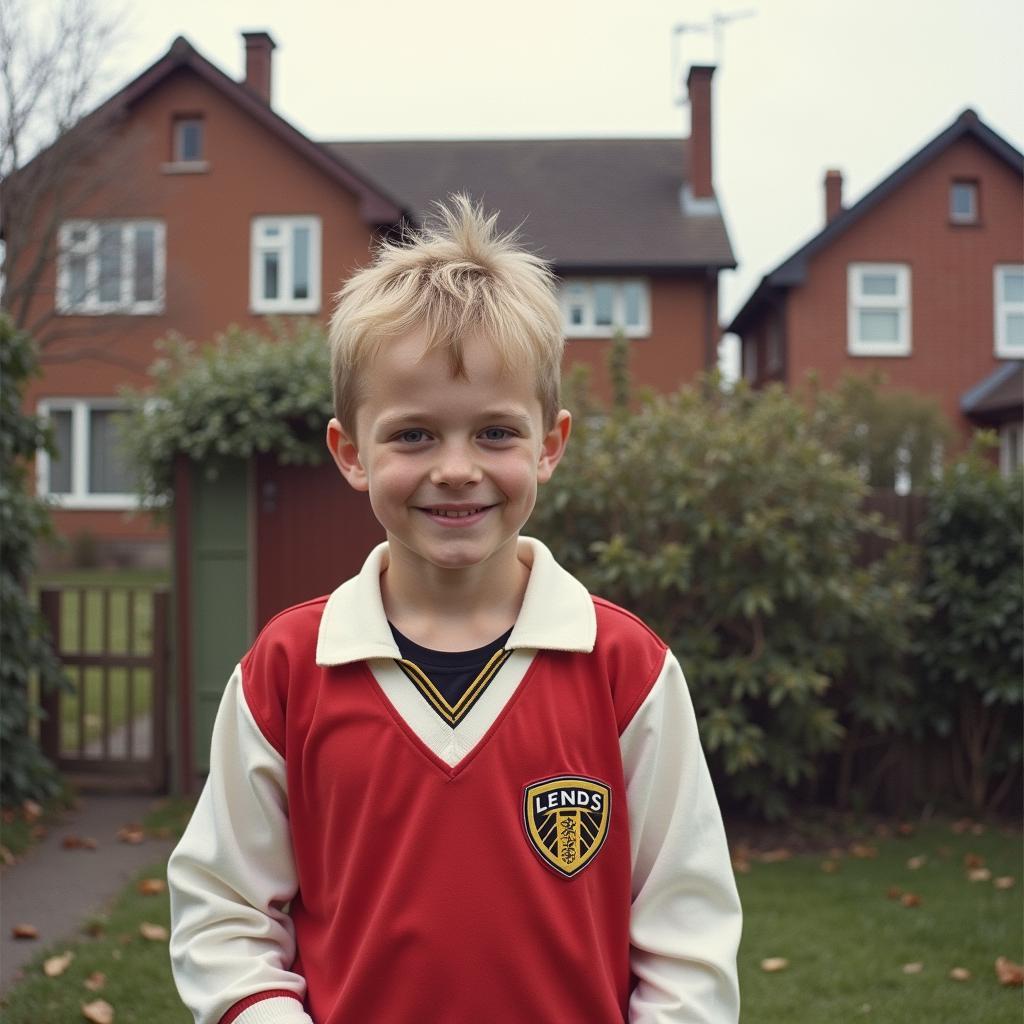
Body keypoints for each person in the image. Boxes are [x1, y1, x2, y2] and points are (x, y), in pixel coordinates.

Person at [167, 195, 742, 1024]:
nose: (457, 469)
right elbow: (224, 913)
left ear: (551, 444)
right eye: (413, 436)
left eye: (497, 434)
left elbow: (687, 929)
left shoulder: (626, 670)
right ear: (350, 453)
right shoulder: (288, 669)